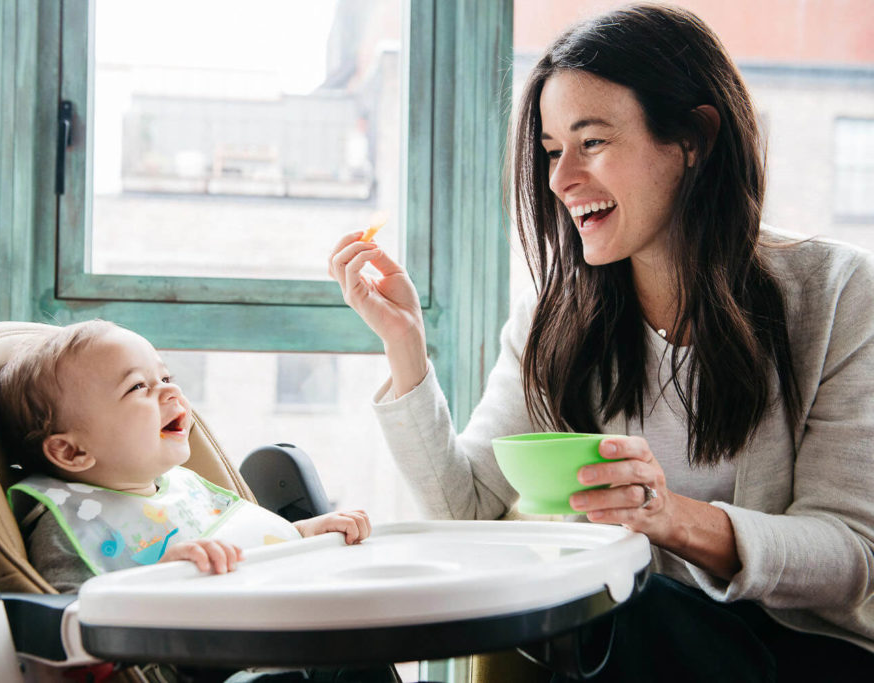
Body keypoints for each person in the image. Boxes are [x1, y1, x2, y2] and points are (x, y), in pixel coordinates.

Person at [329, 4, 874, 681]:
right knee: (603, 611)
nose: (560, 181)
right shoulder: (553, 319)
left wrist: (670, 517)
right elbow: (465, 508)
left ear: (694, 138)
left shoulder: (838, 292)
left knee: (617, 609)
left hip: (792, 653)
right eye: (554, 151)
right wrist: (406, 347)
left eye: (591, 143)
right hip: (631, 645)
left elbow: (849, 554)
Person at [0, 320, 396, 683]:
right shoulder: (69, 524)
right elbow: (77, 630)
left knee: (361, 653)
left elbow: (244, 549)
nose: (171, 389)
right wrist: (157, 584)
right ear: (71, 452)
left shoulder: (184, 488)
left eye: (165, 375)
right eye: (137, 386)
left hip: (275, 646)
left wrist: (302, 535)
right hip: (197, 673)